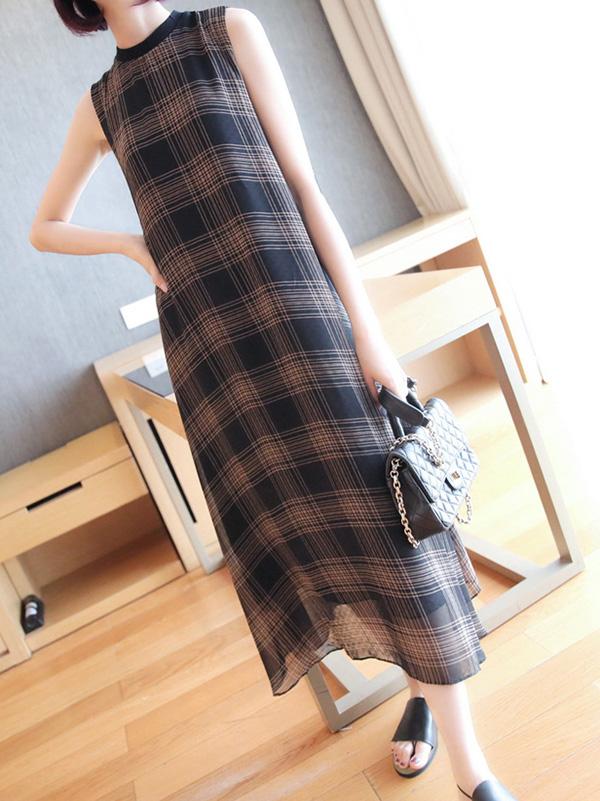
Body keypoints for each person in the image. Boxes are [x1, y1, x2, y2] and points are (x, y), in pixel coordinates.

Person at [30, 4, 517, 799]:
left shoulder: (229, 32)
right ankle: (421, 698)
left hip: (302, 310)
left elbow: (305, 187)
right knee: (312, 528)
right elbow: (44, 226)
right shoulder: (101, 105)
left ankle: (473, 769)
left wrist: (368, 333)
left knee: (389, 517)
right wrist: (129, 243)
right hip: (215, 352)